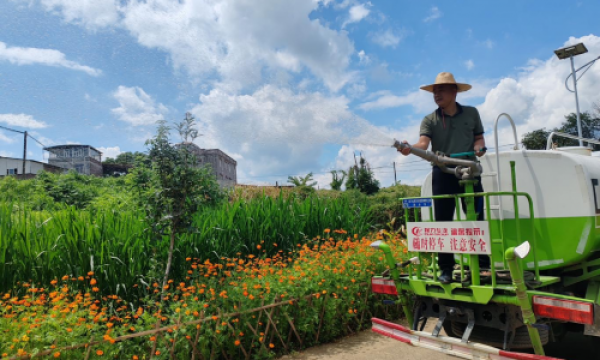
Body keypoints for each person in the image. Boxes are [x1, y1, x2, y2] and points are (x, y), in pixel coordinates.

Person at [399, 72, 489, 284]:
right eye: (434, 91)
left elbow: (478, 138)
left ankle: (482, 267)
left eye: (441, 90)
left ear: (454, 91)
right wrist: (410, 148)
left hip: (469, 171)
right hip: (443, 172)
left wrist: (479, 148)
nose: (436, 94)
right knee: (443, 223)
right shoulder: (430, 119)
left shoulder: (471, 113)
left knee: (475, 219)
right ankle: (446, 270)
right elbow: (423, 144)